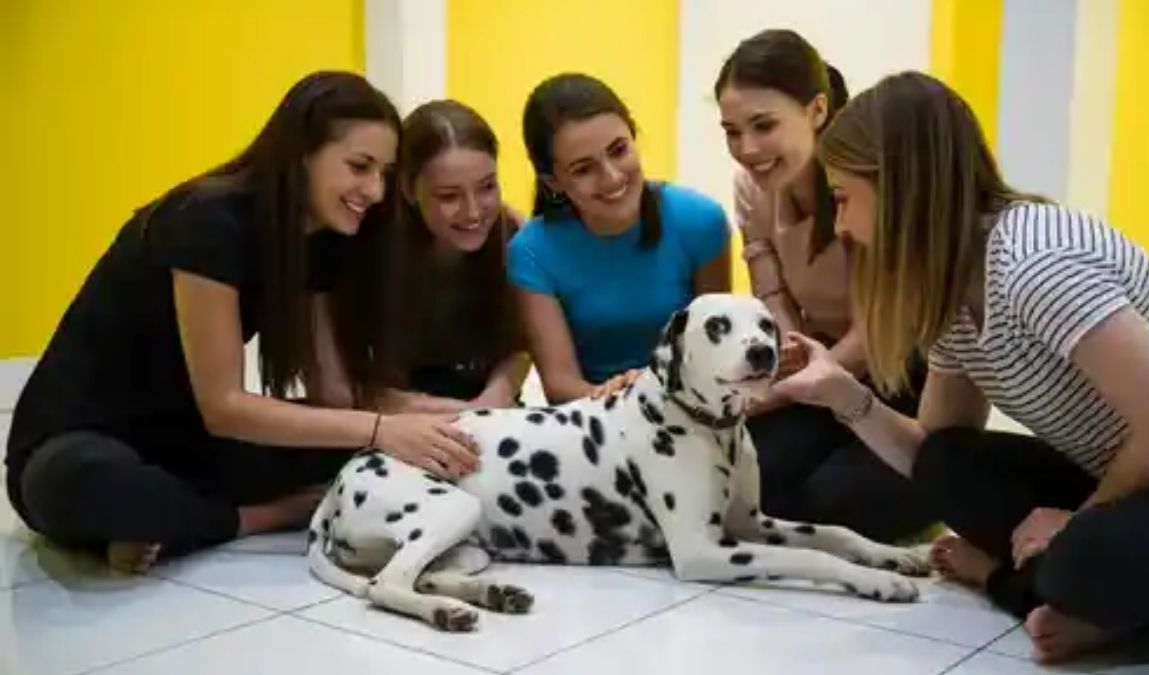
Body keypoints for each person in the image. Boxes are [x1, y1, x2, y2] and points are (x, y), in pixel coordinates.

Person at [773, 70, 1149, 663]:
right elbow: (932, 451)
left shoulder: (1034, 260)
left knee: (1084, 556)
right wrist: (841, 392)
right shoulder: (954, 287)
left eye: (843, 197)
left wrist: (1074, 522)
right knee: (948, 462)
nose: (841, 225)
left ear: (897, 186)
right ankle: (1092, 600)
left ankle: (1051, 596)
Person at [5, 71, 479, 573]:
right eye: (359, 167)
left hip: (185, 445)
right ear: (301, 154)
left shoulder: (321, 238)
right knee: (84, 484)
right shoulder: (206, 219)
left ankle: (162, 524)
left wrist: (444, 416)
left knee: (363, 448)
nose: (376, 191)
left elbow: (334, 394)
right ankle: (260, 517)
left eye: (384, 173)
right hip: (81, 442)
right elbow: (224, 407)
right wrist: (381, 429)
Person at [714, 29, 934, 543]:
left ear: (817, 110)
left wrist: (788, 388)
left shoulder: (872, 186)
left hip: (902, 373)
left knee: (833, 502)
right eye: (732, 132)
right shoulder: (752, 187)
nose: (747, 149)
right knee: (743, 477)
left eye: (764, 125)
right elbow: (771, 293)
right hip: (819, 364)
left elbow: (881, 330)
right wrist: (791, 358)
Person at [509, 73, 732, 403]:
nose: (612, 177)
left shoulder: (701, 221)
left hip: (691, 407)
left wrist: (656, 394)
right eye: (583, 169)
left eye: (619, 150)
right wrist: (623, 400)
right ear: (553, 182)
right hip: (595, 414)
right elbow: (560, 385)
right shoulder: (531, 252)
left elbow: (716, 350)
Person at [379, 99, 527, 413]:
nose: (473, 212)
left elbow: (521, 348)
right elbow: (351, 389)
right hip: (393, 418)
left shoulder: (516, 238)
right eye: (449, 196)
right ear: (407, 189)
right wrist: (449, 412)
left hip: (485, 410)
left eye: (487, 187)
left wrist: (493, 400)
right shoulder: (372, 246)